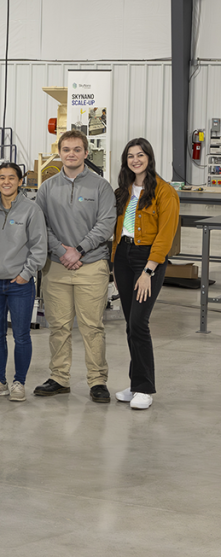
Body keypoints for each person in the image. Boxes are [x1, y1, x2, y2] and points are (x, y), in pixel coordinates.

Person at [34, 130, 116, 403]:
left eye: (77, 149)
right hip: (56, 266)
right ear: (59, 152)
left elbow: (106, 224)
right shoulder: (47, 187)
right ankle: (59, 377)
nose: (71, 153)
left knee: (92, 327)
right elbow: (40, 226)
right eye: (66, 149)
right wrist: (61, 251)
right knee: (58, 326)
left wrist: (79, 250)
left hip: (91, 265)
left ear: (85, 153)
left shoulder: (100, 186)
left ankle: (97, 381)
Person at [111, 139, 178, 410]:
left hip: (147, 259)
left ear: (149, 157)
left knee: (139, 323)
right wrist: (115, 262)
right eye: (130, 156)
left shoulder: (164, 192)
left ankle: (144, 388)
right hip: (123, 257)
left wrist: (148, 271)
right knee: (130, 325)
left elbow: (166, 235)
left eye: (140, 155)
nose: (135, 160)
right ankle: (136, 383)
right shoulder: (123, 190)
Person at [0, 162, 47, 402]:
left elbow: (39, 247)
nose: (6, 181)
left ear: (19, 181)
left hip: (20, 285)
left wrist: (25, 274)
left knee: (21, 336)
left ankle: (19, 382)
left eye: (11, 177)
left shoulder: (31, 210)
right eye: (1, 177)